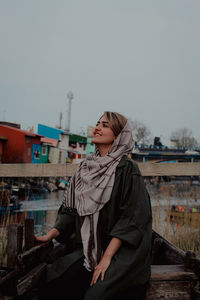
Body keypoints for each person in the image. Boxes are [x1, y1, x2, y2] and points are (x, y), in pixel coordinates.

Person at [35, 111, 152, 300]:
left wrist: (106, 258)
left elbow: (132, 218)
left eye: (105, 125)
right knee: (55, 279)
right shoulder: (85, 168)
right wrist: (52, 233)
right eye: (98, 123)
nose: (97, 127)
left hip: (123, 251)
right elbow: (71, 209)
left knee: (97, 294)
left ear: (118, 135)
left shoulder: (127, 169)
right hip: (91, 246)